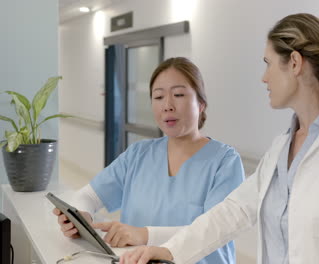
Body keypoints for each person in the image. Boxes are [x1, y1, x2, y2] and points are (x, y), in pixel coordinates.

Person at [121, 13, 319, 264]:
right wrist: (169, 250)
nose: (264, 78)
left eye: (269, 64)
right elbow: (232, 212)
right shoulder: (281, 149)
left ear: (295, 63)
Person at [52, 57, 244, 264]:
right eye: (158, 97)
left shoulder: (224, 162)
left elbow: (215, 230)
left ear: (201, 103)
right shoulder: (138, 155)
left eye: (178, 95)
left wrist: (144, 234)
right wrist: (82, 216)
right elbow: (89, 195)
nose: (167, 106)